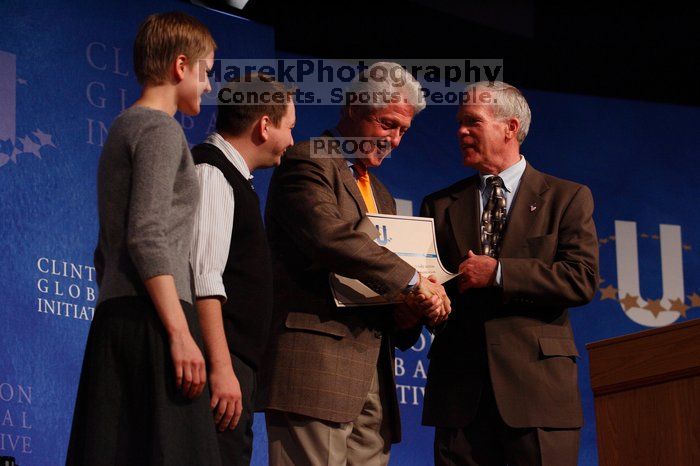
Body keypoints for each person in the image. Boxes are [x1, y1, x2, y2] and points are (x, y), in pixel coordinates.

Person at [258, 61, 451, 466]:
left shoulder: (378, 191)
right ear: (353, 107)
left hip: (372, 376)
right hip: (317, 365)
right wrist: (414, 280)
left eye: (403, 131)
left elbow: (378, 277)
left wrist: (408, 309)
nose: (394, 140)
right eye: (387, 124)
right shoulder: (307, 160)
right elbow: (330, 239)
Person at [66, 12, 222, 466]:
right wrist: (179, 332)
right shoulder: (159, 130)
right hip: (156, 321)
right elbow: (147, 234)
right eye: (206, 72)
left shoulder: (122, 127)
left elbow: (105, 251)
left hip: (117, 322)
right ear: (181, 66)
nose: (208, 86)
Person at [420, 81, 599, 465]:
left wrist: (500, 273)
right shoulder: (438, 204)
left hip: (536, 394)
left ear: (510, 127)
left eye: (472, 122)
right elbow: (431, 281)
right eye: (459, 122)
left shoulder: (567, 197)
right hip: (460, 396)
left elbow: (580, 278)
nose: (460, 131)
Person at [189, 74, 296, 466]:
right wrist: (221, 368)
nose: (291, 142)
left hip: (235, 365)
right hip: (220, 365)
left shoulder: (234, 179)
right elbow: (204, 279)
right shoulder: (212, 172)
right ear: (264, 125)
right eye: (289, 129)